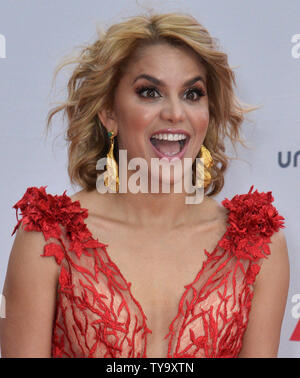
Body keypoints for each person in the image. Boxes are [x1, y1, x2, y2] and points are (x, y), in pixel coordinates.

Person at [0, 12, 289, 358]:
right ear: (108, 112)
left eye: (192, 94)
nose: (174, 112)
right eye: (150, 92)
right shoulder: (47, 240)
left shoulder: (257, 244)